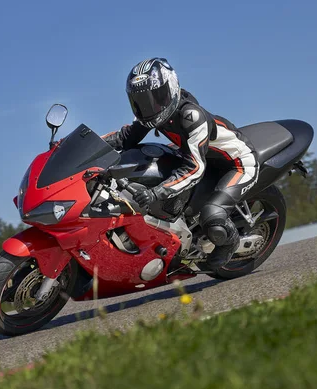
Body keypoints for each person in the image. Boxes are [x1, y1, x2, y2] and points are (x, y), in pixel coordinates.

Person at [102, 57, 260, 272]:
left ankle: (229, 242)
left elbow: (195, 168)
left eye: (155, 98)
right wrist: (86, 146)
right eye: (142, 101)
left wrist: (157, 192)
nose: (150, 107)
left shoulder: (191, 117)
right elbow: (125, 138)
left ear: (171, 89)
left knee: (212, 215)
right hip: (204, 159)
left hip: (237, 163)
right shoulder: (153, 115)